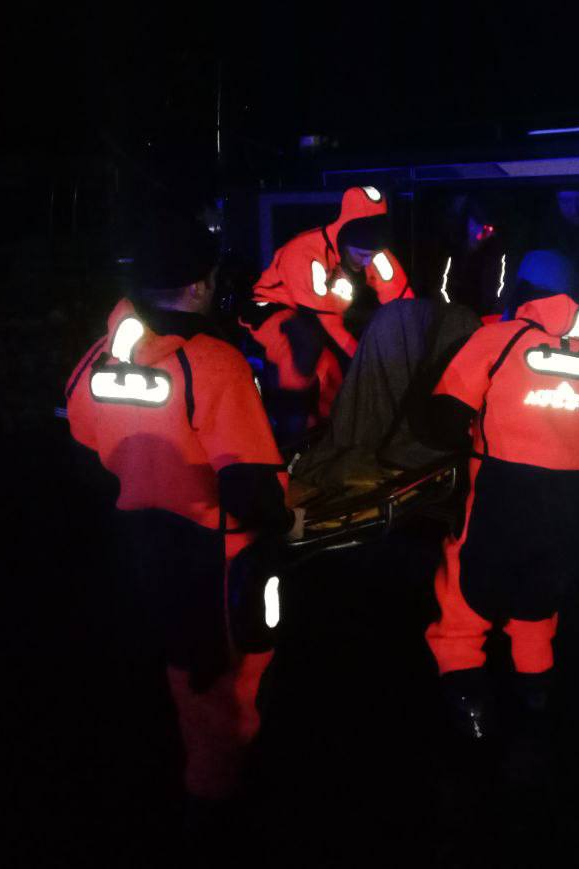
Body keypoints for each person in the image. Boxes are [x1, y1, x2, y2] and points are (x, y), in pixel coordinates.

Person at [64, 215, 301, 810]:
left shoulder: (100, 356)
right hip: (214, 552)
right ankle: (219, 798)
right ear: (199, 285)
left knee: (164, 661)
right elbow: (250, 485)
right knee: (223, 679)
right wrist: (283, 520)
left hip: (138, 542)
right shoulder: (214, 362)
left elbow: (83, 442)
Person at [421, 250, 579, 737]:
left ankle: (466, 695)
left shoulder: (497, 338)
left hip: (500, 488)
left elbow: (445, 415)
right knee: (540, 592)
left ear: (520, 290)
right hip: (567, 499)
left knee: (469, 584)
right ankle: (535, 687)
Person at [241, 186, 412, 432]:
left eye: (372, 255)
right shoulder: (305, 252)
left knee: (332, 370)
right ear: (345, 239)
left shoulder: (372, 252)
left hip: (322, 313)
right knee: (303, 347)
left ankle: (329, 428)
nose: (368, 261)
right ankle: (292, 426)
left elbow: (403, 301)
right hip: (271, 309)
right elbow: (326, 322)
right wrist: (366, 360)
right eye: (362, 254)